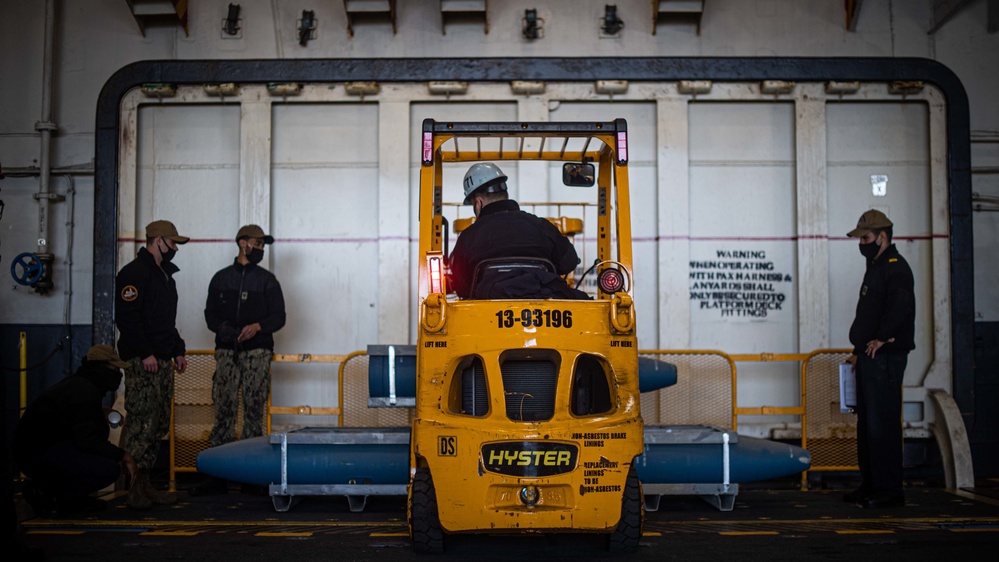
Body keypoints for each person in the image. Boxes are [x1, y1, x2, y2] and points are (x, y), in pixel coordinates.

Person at [190, 225, 286, 496]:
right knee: (223, 409)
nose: (261, 249)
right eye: (257, 243)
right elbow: (210, 315)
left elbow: (279, 317)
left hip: (257, 354)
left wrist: (257, 327)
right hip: (226, 353)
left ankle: (251, 474)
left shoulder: (268, 281)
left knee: (254, 412)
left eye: (262, 245)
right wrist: (224, 329)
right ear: (242, 243)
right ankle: (216, 474)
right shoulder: (220, 279)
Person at [13, 345, 139, 518]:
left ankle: (72, 497)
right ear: (102, 367)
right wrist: (124, 456)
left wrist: (100, 412)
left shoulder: (80, 384)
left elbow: (74, 420)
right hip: (37, 454)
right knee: (108, 468)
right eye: (115, 368)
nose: (118, 374)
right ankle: (44, 492)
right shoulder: (84, 391)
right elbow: (88, 441)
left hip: (37, 450)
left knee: (98, 458)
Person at [115, 219, 190, 510]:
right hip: (143, 360)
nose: (175, 248)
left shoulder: (165, 277)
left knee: (157, 423)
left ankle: (146, 485)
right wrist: (146, 353)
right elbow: (128, 319)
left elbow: (165, 323)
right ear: (157, 240)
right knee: (141, 423)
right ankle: (132, 488)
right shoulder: (133, 274)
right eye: (172, 243)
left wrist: (178, 350)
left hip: (161, 361)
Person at [843, 209, 915, 509]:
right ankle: (871, 485)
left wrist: (881, 339)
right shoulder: (877, 265)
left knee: (882, 425)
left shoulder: (895, 268)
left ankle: (889, 491)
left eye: (866, 237)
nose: (862, 243)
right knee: (868, 425)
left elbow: (900, 307)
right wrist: (861, 350)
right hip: (870, 356)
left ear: (882, 236)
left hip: (885, 358)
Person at [448, 162, 588, 300]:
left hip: (485, 316)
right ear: (505, 194)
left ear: (478, 203)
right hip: (545, 315)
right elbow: (569, 262)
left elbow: (461, 286)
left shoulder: (468, 237)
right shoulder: (541, 226)